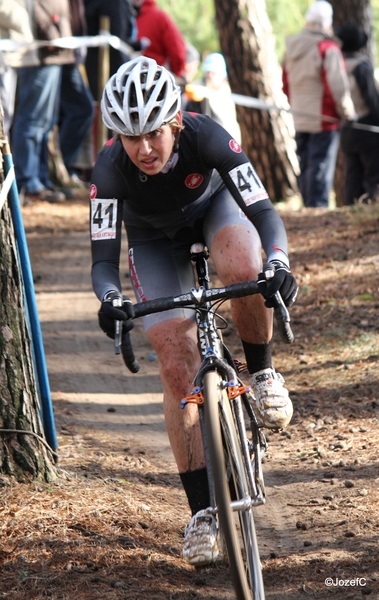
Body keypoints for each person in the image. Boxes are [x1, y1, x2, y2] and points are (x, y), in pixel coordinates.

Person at [90, 57, 298, 566]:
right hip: (153, 241)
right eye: (128, 136)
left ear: (176, 122)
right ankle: (204, 512)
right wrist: (110, 299)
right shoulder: (109, 169)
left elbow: (265, 212)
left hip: (215, 211)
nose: (142, 149)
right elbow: (102, 259)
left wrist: (278, 262)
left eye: (153, 134)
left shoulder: (209, 137)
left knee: (243, 264)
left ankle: (263, 370)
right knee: (175, 363)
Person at [282, 1, 356, 208]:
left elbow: (286, 83)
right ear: (327, 22)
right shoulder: (327, 48)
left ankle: (308, 207)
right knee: (320, 167)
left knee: (306, 165)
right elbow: (337, 87)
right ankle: (318, 211)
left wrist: (295, 104)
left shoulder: (291, 47)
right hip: (324, 119)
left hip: (299, 116)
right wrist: (348, 113)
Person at [11, 0, 75, 203]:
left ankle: (40, 178)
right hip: (40, 54)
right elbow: (33, 7)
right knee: (32, 121)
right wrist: (51, 36)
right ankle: (27, 181)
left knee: (46, 123)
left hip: (54, 54)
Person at [335, 24, 379, 205]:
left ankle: (349, 208)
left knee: (352, 175)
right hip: (367, 126)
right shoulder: (361, 66)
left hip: (346, 127)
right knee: (373, 173)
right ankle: (371, 207)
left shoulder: (336, 64)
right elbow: (372, 99)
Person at [57, 0, 94, 184]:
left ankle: (61, 168)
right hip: (60, 53)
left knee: (79, 110)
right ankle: (60, 168)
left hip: (69, 55)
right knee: (82, 109)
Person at [185, 52, 241, 144]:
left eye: (213, 72)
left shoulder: (232, 90)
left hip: (230, 139)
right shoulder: (199, 89)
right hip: (208, 141)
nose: (210, 75)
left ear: (222, 73)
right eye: (208, 72)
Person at [0, 0, 36, 137]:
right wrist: (23, 15)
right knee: (4, 116)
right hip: (4, 54)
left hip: (11, 55)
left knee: (6, 116)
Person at [133, 0, 186, 80]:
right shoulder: (159, 16)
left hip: (154, 77)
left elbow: (177, 52)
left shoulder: (159, 17)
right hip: (142, 78)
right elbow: (177, 51)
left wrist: (175, 74)